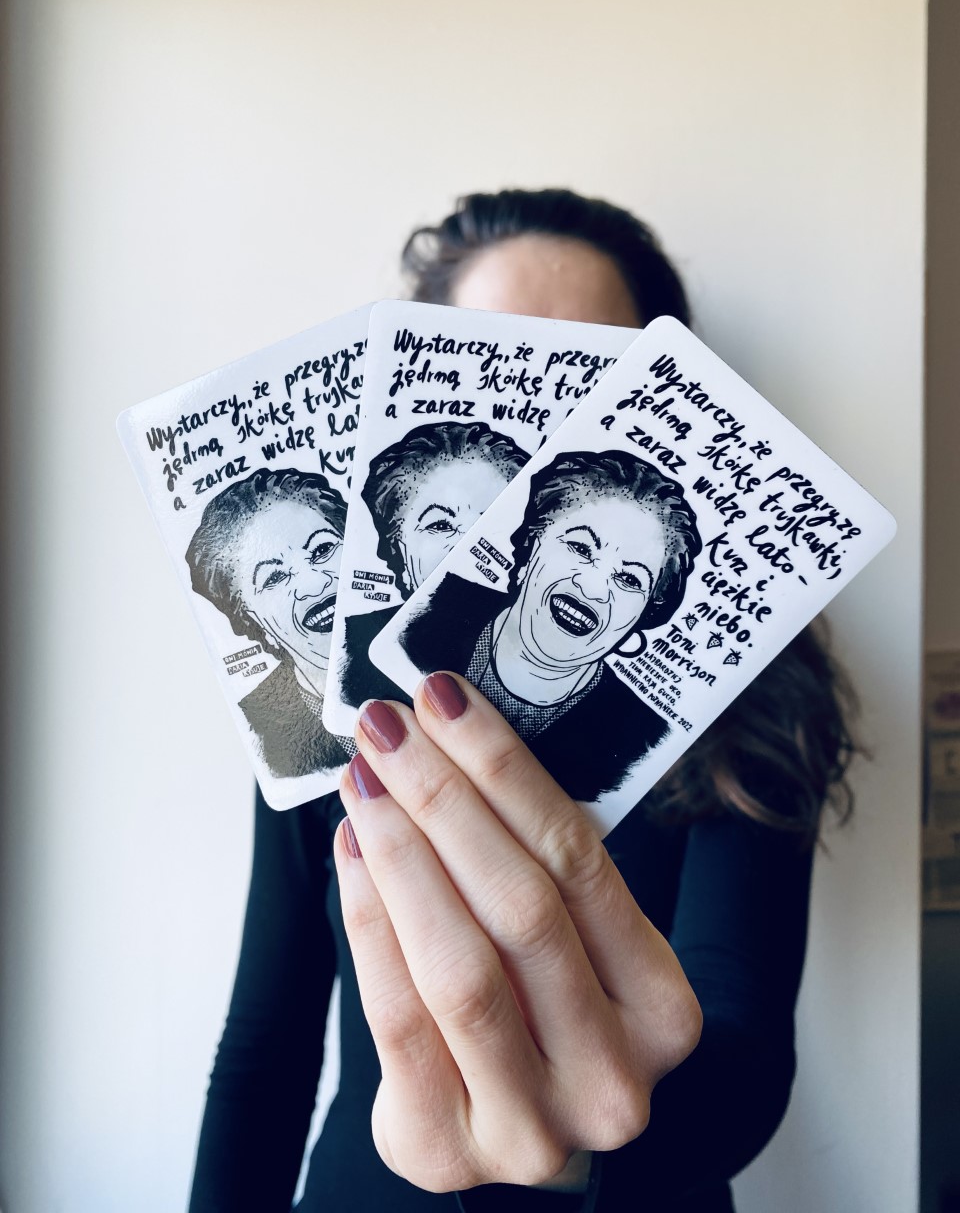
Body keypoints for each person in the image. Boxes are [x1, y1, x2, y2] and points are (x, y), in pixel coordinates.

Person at [189, 189, 856, 1213]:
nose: (547, 436)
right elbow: (263, 1048)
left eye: (591, 380)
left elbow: (748, 1051)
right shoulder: (336, 697)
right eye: (508, 368)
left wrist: (581, 1153)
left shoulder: (750, 689)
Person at [398, 449, 701, 800]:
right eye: (581, 548)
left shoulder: (638, 741)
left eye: (630, 580)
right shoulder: (420, 618)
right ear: (530, 549)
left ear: (642, 616)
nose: (593, 589)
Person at [339, 421, 530, 709]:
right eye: (440, 525)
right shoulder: (352, 652)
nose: (467, 547)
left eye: (492, 524)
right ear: (397, 548)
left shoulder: (551, 658)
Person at [186, 467, 352, 779]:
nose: (315, 584)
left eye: (322, 549)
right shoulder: (270, 742)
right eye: (274, 577)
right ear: (253, 621)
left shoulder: (440, 642)